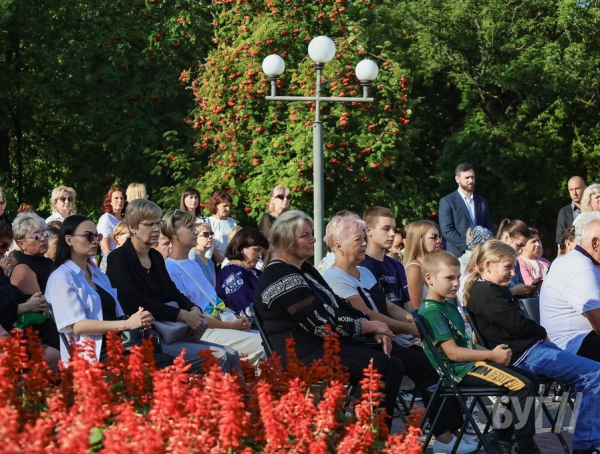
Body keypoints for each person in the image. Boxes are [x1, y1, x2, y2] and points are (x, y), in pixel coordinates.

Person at [254, 210, 403, 427]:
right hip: (299, 355)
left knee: (394, 364)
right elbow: (321, 323)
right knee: (378, 365)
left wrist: (375, 326)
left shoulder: (303, 269)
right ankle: (362, 439)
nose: (314, 239)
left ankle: (373, 437)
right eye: (305, 235)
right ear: (286, 240)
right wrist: (368, 326)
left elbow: (338, 304)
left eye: (311, 233)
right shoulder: (279, 276)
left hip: (320, 346)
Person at [466, 240, 600, 454]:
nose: (512, 273)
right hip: (526, 355)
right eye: (508, 267)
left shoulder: (492, 290)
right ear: (488, 265)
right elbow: (517, 325)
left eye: (513, 267)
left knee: (590, 370)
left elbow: (517, 324)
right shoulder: (486, 292)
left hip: (532, 350)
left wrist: (538, 333)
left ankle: (502, 434)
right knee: (594, 373)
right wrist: (541, 331)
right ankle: (586, 445)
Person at [419, 250, 540, 454]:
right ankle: (526, 447)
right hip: (458, 371)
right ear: (429, 279)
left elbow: (466, 344)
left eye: (458, 277)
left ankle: (501, 437)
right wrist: (491, 356)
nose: (456, 283)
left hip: (468, 364)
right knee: (523, 385)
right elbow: (453, 354)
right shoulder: (432, 311)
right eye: (449, 278)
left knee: (531, 380)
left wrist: (493, 353)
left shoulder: (447, 305)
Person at [105, 199, 240, 374]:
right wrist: (181, 314)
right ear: (133, 228)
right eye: (148, 224)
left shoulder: (155, 256)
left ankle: (241, 399)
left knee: (232, 354)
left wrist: (192, 308)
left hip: (171, 330)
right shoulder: (118, 259)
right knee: (220, 355)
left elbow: (172, 291)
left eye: (158, 223)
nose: (155, 229)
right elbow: (133, 300)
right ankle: (225, 400)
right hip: (146, 338)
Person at [45, 215, 173, 369]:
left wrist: (137, 320)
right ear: (69, 240)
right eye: (88, 236)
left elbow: (115, 312)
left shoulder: (97, 273)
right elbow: (78, 325)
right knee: (166, 365)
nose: (95, 241)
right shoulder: (61, 277)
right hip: (92, 353)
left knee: (167, 361)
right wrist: (126, 323)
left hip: (118, 344)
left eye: (97, 236)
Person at [162, 210, 264, 366]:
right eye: (190, 227)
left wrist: (236, 319)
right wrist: (229, 325)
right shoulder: (170, 267)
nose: (195, 231)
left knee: (273, 341)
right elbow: (191, 317)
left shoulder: (192, 264)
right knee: (264, 346)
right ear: (175, 234)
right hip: (203, 331)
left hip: (218, 324)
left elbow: (213, 302)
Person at [541, 212, 600, 363]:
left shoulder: (579, 261)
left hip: (578, 341)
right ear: (595, 243)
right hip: (570, 346)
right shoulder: (581, 266)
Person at [9, 213, 60, 351]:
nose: (43, 239)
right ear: (21, 243)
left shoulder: (49, 262)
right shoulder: (23, 269)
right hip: (43, 336)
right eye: (37, 236)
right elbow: (42, 307)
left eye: (45, 233)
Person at [438, 163, 493, 257]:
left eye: (472, 177)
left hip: (481, 254)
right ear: (457, 179)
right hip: (458, 255)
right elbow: (447, 230)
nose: (471, 180)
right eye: (467, 178)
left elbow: (488, 226)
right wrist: (470, 247)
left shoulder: (482, 201)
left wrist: (484, 246)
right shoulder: (447, 201)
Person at [216, 227, 269, 321]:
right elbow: (246, 310)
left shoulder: (253, 271)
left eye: (262, 251)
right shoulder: (231, 274)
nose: (260, 256)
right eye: (257, 250)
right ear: (241, 248)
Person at [403, 220, 443, 310]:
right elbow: (416, 309)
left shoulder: (431, 266)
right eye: (434, 237)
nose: (439, 240)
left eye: (440, 236)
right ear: (419, 240)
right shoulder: (415, 269)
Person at [496, 219, 538, 297]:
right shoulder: (492, 259)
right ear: (506, 237)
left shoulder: (516, 261)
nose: (520, 251)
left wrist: (529, 289)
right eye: (519, 245)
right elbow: (490, 293)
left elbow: (520, 284)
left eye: (523, 246)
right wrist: (513, 291)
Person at [207, 190, 236, 265]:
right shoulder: (209, 221)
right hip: (216, 263)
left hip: (231, 261)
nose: (228, 209)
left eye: (229, 206)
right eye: (225, 206)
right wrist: (224, 262)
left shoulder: (232, 222)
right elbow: (211, 247)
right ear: (216, 205)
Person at [556, 176, 586, 247]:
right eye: (571, 190)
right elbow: (559, 238)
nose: (574, 193)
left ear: (585, 188)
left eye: (577, 189)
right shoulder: (564, 212)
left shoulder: (593, 209)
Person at [97, 186, 127, 255]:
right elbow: (104, 247)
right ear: (110, 201)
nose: (119, 201)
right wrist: (113, 261)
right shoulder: (106, 219)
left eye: (122, 198)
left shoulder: (126, 219)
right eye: (116, 198)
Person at [188, 221, 216, 288]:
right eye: (206, 234)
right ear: (195, 237)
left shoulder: (210, 262)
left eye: (211, 234)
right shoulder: (191, 257)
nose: (210, 237)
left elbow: (213, 288)